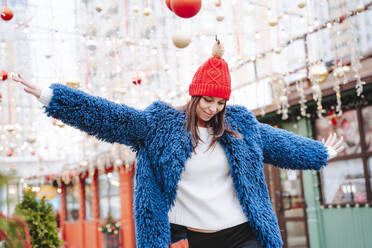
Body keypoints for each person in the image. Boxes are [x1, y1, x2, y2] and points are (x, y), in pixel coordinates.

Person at [12, 39, 344, 248]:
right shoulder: (159, 126)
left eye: (220, 103)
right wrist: (51, 96)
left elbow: (279, 143)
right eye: (207, 100)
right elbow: (109, 117)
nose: (213, 108)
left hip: (246, 232)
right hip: (202, 238)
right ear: (195, 94)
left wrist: (321, 153)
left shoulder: (239, 124)